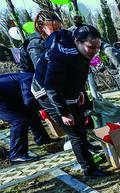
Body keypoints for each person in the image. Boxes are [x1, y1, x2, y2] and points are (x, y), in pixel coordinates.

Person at [31, 25, 106, 177]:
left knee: (81, 126)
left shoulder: (81, 51)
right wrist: (64, 113)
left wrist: (78, 92)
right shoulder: (62, 56)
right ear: (77, 41)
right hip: (46, 93)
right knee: (75, 133)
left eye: (98, 48)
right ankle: (89, 169)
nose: (95, 51)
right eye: (91, 47)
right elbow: (51, 87)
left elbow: (78, 73)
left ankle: (89, 158)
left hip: (65, 91)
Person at [18, 10, 63, 146]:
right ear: (41, 27)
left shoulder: (53, 38)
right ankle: (45, 138)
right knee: (54, 112)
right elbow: (42, 69)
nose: (56, 31)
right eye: (53, 28)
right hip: (34, 81)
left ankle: (73, 138)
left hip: (50, 80)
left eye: (58, 28)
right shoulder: (35, 44)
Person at [0, 72, 45, 164]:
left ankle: (42, 138)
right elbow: (28, 101)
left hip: (7, 96)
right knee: (19, 120)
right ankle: (17, 155)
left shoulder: (33, 77)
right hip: (2, 99)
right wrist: (44, 109)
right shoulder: (30, 80)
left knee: (29, 112)